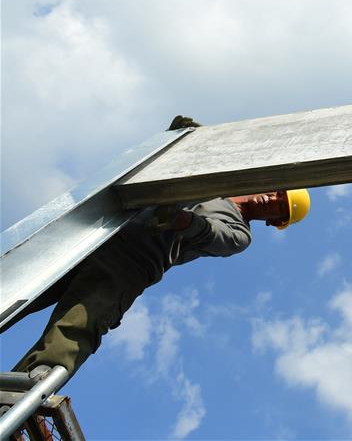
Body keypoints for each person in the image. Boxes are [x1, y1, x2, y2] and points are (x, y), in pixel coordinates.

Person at [2, 117, 312, 382]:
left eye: (278, 207)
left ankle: (15, 397)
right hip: (93, 233)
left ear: (274, 221)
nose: (271, 199)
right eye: (278, 192)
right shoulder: (222, 176)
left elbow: (210, 234)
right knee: (12, 289)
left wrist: (181, 221)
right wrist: (183, 142)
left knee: (75, 329)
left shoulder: (239, 233)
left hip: (130, 263)